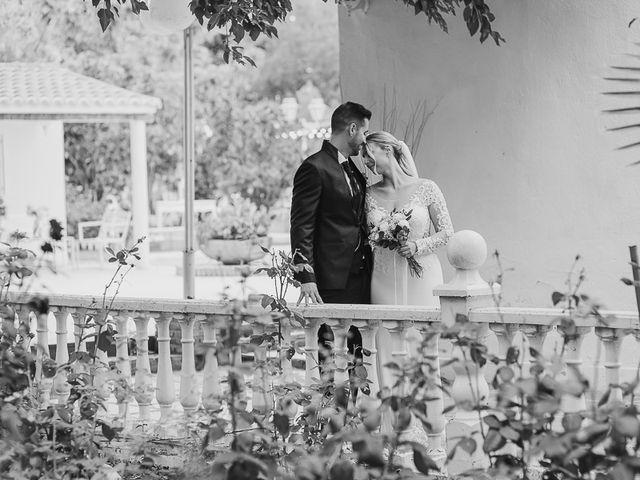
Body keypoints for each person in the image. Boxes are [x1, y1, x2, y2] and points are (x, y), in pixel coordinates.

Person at [290, 101, 372, 372]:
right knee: (330, 352)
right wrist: (306, 276)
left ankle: (355, 411)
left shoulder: (353, 168)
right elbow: (302, 225)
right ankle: (328, 412)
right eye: (363, 132)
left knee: (357, 350)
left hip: (360, 277)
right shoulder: (314, 167)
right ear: (351, 129)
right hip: (332, 278)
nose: (364, 140)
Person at [362, 131, 453, 306]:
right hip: (383, 276)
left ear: (387, 149)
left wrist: (416, 246)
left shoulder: (427, 187)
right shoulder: (368, 195)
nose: (365, 160)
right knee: (386, 329)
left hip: (423, 274)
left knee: (423, 330)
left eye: (368, 153)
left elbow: (447, 233)